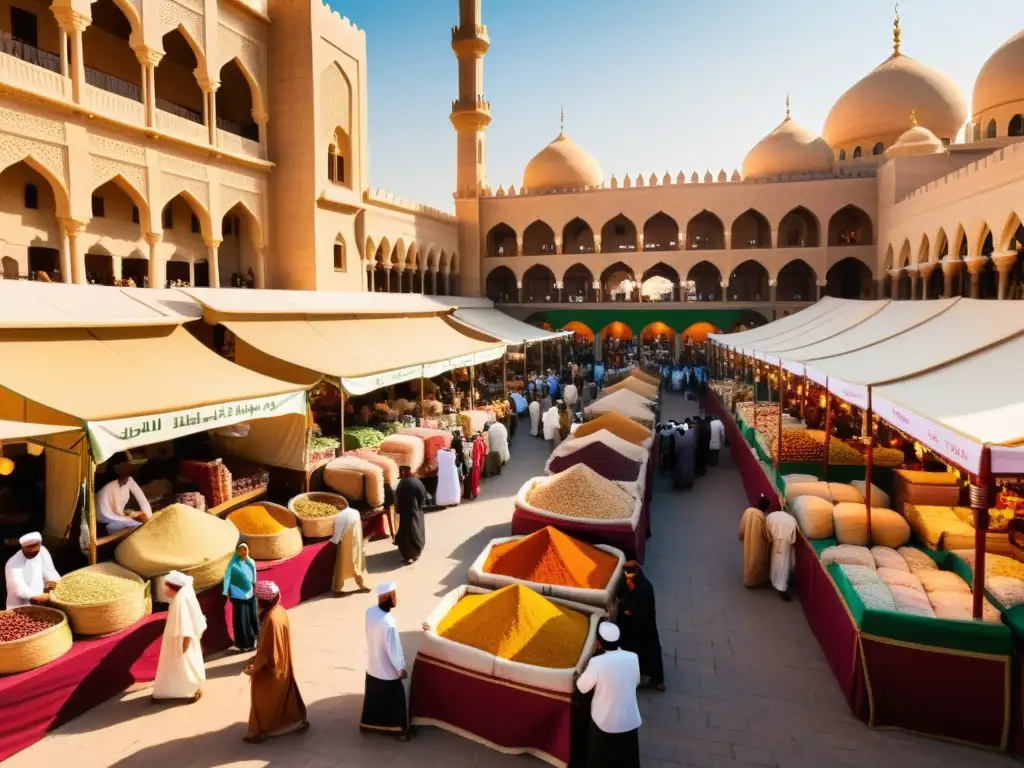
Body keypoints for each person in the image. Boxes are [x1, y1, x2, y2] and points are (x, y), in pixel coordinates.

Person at [244, 580, 309, 742]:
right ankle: (296, 721)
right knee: (286, 697)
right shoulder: (279, 611)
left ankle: (263, 730)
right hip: (283, 664)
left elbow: (267, 650)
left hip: (272, 668)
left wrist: (254, 667)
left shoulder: (272, 619)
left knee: (264, 700)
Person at [575, 622, 642, 768]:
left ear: (598, 643)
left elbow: (582, 687)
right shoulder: (633, 657)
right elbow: (636, 682)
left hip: (604, 723)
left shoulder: (597, 662)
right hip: (629, 720)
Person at [361, 582, 410, 740]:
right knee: (397, 700)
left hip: (373, 667)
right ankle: (398, 731)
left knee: (373, 701)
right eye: (394, 595)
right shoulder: (389, 622)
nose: (396, 599)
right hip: (387, 672)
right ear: (388, 597)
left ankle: (368, 726)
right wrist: (400, 668)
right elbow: (393, 650)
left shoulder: (369, 612)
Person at [152, 571, 207, 704]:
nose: (165, 589)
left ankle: (191, 689)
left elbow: (186, 626)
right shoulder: (178, 599)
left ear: (174, 588)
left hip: (180, 642)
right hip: (178, 641)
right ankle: (173, 691)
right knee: (178, 667)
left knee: (183, 665)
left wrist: (184, 645)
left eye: (167, 586)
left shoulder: (181, 601)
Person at [614, 562, 664, 691]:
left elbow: (643, 607)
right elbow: (621, 596)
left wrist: (632, 596)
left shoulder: (645, 586)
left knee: (649, 650)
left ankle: (656, 680)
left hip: (644, 625)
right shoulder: (626, 581)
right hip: (630, 626)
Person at [5, 532, 60, 608]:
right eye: (28, 550)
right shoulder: (13, 563)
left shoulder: (43, 552)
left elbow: (50, 570)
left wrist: (55, 583)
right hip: (19, 606)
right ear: (23, 548)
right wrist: (43, 596)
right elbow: (20, 589)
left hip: (42, 603)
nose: (32, 552)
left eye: (35, 550)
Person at [95, 462, 152, 533]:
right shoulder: (125, 490)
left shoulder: (120, 518)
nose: (131, 511)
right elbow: (142, 500)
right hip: (104, 502)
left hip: (103, 511)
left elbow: (111, 526)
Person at [222, 543, 258, 652]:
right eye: (241, 549)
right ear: (237, 551)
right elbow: (227, 578)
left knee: (250, 619)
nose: (243, 552)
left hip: (250, 595)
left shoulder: (251, 562)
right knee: (240, 621)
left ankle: (251, 643)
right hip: (238, 596)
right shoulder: (233, 564)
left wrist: (252, 589)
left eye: (245, 549)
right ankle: (242, 644)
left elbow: (254, 579)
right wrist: (227, 591)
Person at [331, 504, 368, 595]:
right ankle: (361, 584)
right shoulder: (355, 512)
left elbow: (337, 536)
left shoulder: (339, 517)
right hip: (356, 541)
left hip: (345, 543)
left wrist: (334, 541)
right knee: (356, 563)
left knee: (342, 564)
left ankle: (338, 588)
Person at [394, 465, 427, 564]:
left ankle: (410, 556)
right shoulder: (417, 481)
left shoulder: (403, 483)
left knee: (406, 536)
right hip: (417, 512)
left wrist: (398, 510)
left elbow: (397, 498)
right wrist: (419, 508)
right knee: (417, 531)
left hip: (406, 514)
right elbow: (423, 494)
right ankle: (417, 551)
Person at [739, 495, 772, 588]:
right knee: (755, 561)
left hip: (747, 541)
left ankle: (747, 579)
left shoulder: (748, 511)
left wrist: (741, 535)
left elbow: (742, 525)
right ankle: (751, 581)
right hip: (757, 543)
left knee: (747, 559)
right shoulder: (761, 516)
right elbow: (766, 534)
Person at [766, 506, 798, 600]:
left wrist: (772, 539)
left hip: (775, 542)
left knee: (774, 562)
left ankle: (773, 580)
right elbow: (793, 539)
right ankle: (781, 587)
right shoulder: (791, 520)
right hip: (785, 546)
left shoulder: (771, 516)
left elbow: (767, 532)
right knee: (783, 566)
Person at [671, 423, 697, 490]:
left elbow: (676, 450)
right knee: (688, 470)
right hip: (689, 456)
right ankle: (688, 483)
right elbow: (694, 446)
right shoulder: (690, 435)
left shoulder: (677, 437)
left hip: (680, 457)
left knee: (680, 471)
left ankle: (680, 484)